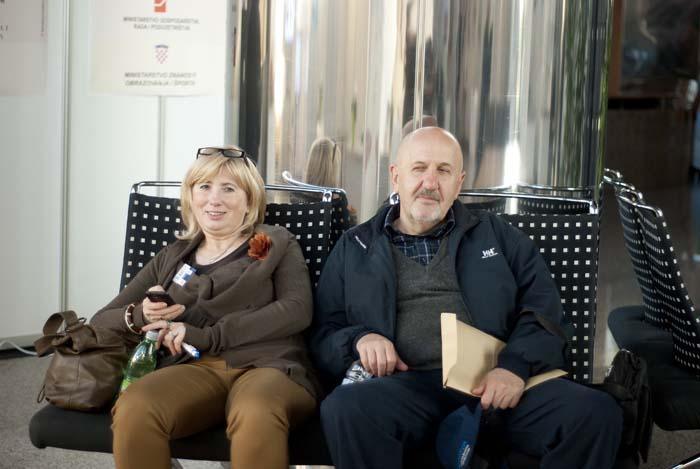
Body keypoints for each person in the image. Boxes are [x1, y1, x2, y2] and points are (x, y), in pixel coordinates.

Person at [310, 127, 623, 469]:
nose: (430, 182)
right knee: (345, 408)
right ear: (396, 176)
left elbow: (544, 312)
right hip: (405, 387)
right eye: (419, 168)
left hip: (495, 382)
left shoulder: (497, 236)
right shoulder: (355, 247)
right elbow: (324, 334)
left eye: (443, 171)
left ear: (458, 184)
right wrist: (359, 339)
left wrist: (514, 368)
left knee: (595, 413)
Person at [90, 146, 319, 469]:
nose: (214, 199)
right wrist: (143, 314)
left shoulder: (273, 242)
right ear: (191, 196)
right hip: (192, 368)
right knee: (135, 407)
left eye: (229, 189)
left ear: (250, 200)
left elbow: (297, 309)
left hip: (268, 364)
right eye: (205, 187)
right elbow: (101, 321)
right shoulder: (173, 256)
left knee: (256, 412)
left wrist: (207, 336)